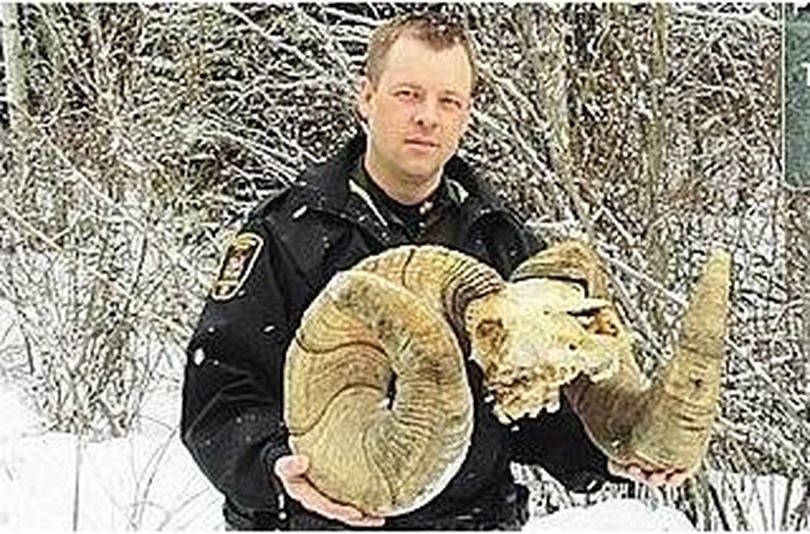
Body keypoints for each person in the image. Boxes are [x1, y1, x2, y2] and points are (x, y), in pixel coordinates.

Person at [181, 12, 681, 531]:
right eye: (407, 94)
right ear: (366, 97)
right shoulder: (287, 235)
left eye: (449, 100)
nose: (428, 116)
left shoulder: (499, 239)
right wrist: (272, 465)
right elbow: (219, 396)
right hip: (327, 520)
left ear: (467, 113)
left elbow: (530, 405)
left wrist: (611, 450)